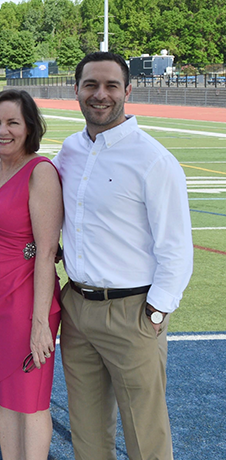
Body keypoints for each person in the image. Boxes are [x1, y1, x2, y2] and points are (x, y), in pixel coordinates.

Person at [53, 51, 194, 460]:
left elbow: (176, 247)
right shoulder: (70, 150)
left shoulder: (153, 160)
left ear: (128, 91)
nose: (101, 94)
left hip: (132, 311)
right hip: (77, 307)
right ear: (75, 90)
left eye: (111, 85)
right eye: (91, 85)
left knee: (145, 435)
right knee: (88, 433)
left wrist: (155, 312)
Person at [0, 89, 63, 459]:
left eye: (12, 123)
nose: (2, 130)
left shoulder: (40, 172)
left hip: (25, 303)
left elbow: (46, 251)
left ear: (29, 128)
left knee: (31, 402)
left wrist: (41, 323)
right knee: (3, 398)